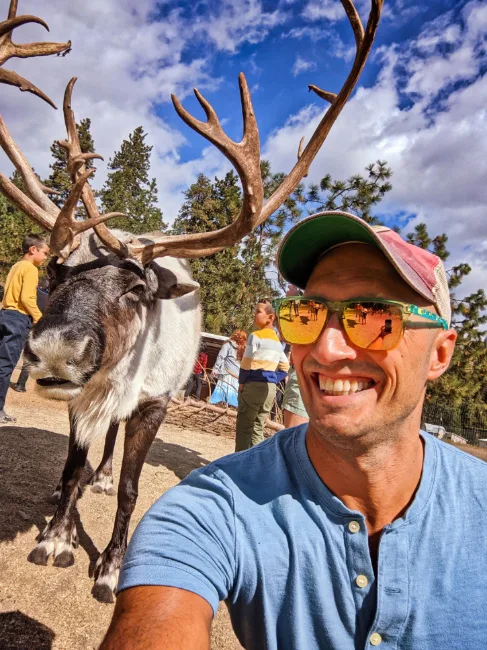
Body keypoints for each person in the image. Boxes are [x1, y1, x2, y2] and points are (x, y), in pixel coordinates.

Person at [100, 211, 487, 650]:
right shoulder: (212, 507)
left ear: (439, 353)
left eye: (374, 316)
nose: (326, 347)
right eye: (308, 314)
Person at [0, 234, 48, 423]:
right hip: (17, 319)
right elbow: (27, 298)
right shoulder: (30, 269)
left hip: (4, 314)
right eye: (44, 253)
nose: (45, 258)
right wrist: (39, 317)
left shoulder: (16, 266)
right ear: (33, 249)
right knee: (5, 366)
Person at [235, 299, 289, 451]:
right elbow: (285, 367)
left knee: (244, 428)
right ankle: (255, 466)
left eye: (258, 311)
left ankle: (238, 466)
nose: (254, 315)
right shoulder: (278, 343)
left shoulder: (255, 336)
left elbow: (247, 361)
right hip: (270, 389)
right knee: (258, 428)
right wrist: (272, 378)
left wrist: (242, 382)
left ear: (270, 317)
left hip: (253, 386)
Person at [10, 275, 50, 393]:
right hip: (37, 330)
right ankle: (20, 385)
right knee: (28, 359)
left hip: (23, 324)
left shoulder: (32, 293)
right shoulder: (49, 298)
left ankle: (4, 378)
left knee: (13, 353)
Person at [209, 330, 247, 408]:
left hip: (226, 373)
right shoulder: (244, 348)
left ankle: (218, 405)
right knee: (234, 393)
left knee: (221, 391)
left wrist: (215, 370)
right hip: (237, 375)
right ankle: (232, 407)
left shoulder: (227, 345)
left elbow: (221, 357)